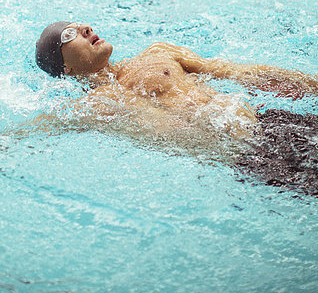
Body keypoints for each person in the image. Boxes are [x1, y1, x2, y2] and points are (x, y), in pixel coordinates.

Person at [35, 21, 318, 195]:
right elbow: (41, 127)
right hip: (247, 159)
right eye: (69, 34)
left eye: (81, 24)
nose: (86, 28)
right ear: (67, 69)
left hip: (271, 124)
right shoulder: (93, 105)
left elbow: (239, 73)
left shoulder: (158, 53)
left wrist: (310, 83)